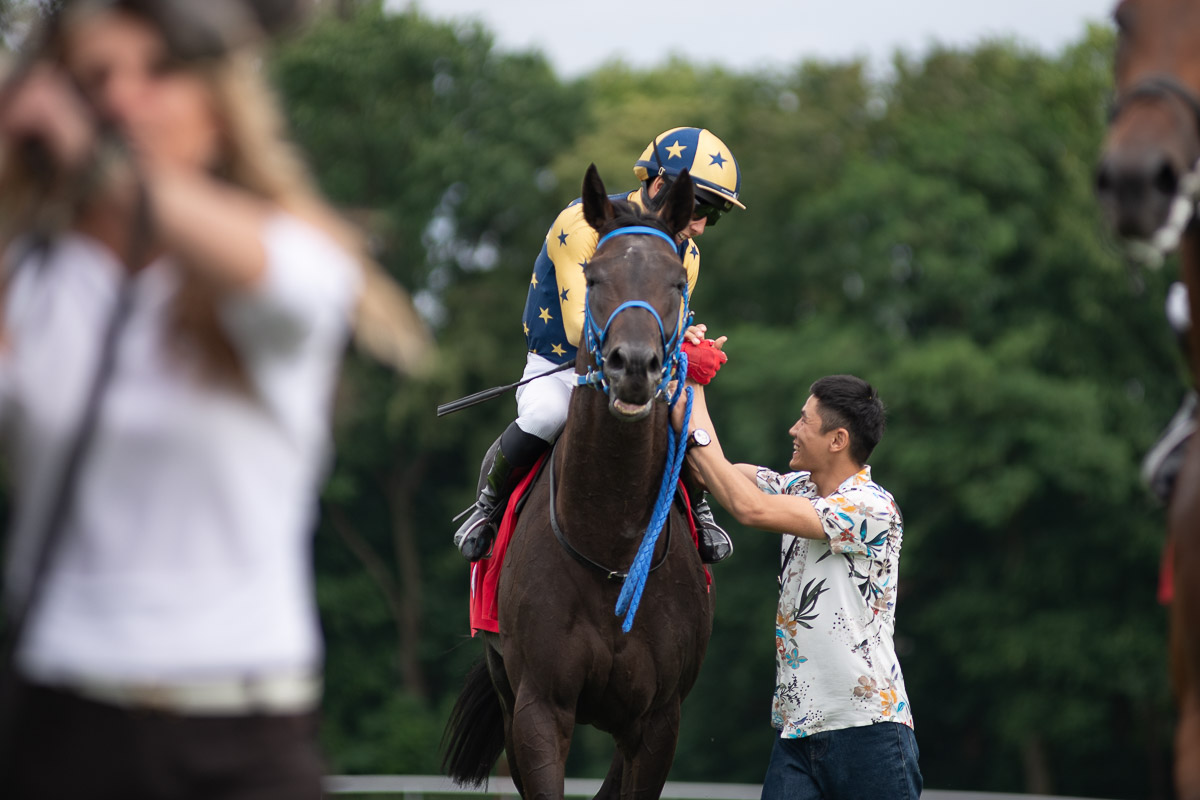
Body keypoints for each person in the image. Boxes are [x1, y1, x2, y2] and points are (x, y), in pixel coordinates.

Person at [0, 2, 366, 797]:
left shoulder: (289, 253)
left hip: (243, 733)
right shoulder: (30, 279)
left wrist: (105, 165)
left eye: (158, 73)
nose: (125, 101)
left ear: (215, 108)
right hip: (64, 722)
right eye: (95, 79)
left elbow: (302, 290)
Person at [454, 126, 745, 564]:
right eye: (699, 207)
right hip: (562, 367)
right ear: (660, 185)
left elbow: (668, 327)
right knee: (549, 414)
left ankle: (697, 509)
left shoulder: (688, 255)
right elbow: (577, 329)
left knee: (686, 421)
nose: (701, 226)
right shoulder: (580, 224)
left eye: (714, 215)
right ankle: (488, 505)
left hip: (637, 367)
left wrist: (688, 341)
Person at [672, 371, 922, 799]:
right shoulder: (800, 489)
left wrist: (693, 421)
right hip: (796, 732)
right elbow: (723, 474)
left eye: (804, 421)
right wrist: (692, 383)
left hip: (870, 732)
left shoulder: (870, 507)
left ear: (838, 439)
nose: (793, 428)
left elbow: (749, 509)